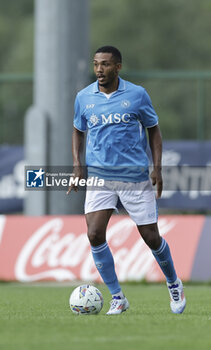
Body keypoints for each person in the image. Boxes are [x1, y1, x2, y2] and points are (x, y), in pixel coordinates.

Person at [67, 45, 186, 315]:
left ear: (118, 67)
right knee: (94, 234)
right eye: (96, 64)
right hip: (100, 176)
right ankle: (118, 297)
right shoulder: (84, 97)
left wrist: (157, 168)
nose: (99, 69)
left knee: (150, 237)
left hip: (133, 176)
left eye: (105, 64)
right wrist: (77, 166)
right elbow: (77, 131)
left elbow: (153, 130)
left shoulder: (137, 95)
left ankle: (173, 283)